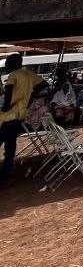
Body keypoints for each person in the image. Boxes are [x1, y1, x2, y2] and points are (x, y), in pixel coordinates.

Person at [0, 53, 43, 186]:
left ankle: (4, 176)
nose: (6, 66)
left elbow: (8, 90)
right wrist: (29, 96)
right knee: (10, 147)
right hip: (19, 117)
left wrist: (6, 105)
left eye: (7, 63)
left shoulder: (13, 75)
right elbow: (43, 84)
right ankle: (5, 176)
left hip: (8, 116)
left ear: (13, 64)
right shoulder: (29, 74)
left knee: (7, 145)